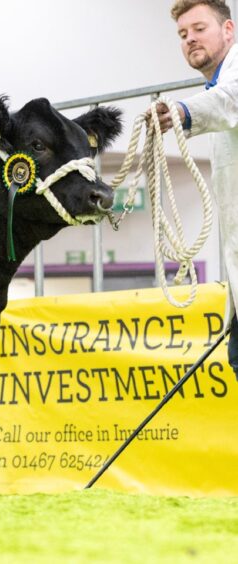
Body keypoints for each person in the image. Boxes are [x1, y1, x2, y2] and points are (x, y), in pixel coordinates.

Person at [159, 0, 238, 377]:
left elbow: (229, 101)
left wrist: (182, 112)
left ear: (228, 30)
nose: (190, 39)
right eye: (182, 34)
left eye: (199, 28)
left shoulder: (231, 81)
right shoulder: (216, 85)